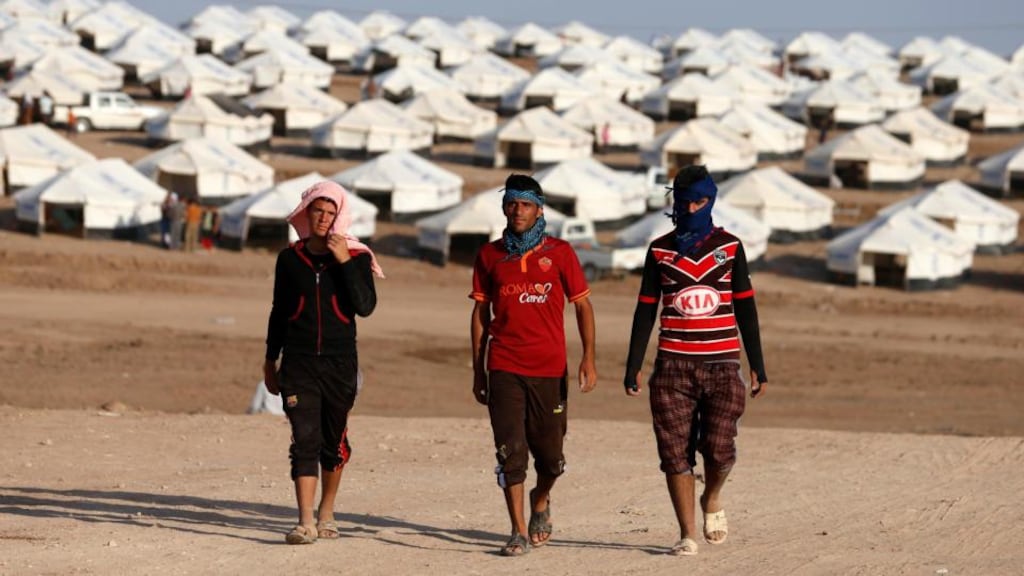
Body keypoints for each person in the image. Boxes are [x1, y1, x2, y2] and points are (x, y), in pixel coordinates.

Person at [622, 164, 768, 557]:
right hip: (672, 367)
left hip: (722, 365)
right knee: (675, 453)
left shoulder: (731, 248)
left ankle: (713, 497)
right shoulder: (659, 250)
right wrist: (633, 363)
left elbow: (746, 309)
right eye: (683, 203)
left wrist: (757, 362)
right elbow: (645, 311)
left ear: (711, 201)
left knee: (720, 450)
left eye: (699, 202)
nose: (690, 210)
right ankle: (686, 533)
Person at [469, 174, 598, 557]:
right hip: (505, 364)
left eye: (525, 204)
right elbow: (480, 313)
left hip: (549, 368)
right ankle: (517, 530)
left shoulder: (560, 252)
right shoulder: (489, 255)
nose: (517, 210)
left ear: (539, 208)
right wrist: (479, 369)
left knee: (552, 459)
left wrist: (588, 357)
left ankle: (540, 499)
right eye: (511, 203)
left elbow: (583, 306)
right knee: (510, 451)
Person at [263, 180, 383, 545]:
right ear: (306, 212)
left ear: (339, 217)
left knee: (334, 442)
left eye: (331, 213)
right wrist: (271, 360)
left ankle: (326, 513)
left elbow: (365, 307)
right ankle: (304, 521)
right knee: (304, 440)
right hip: (298, 363)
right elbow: (279, 312)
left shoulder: (357, 257)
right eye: (318, 210)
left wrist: (344, 261)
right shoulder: (289, 259)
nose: (324, 218)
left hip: (340, 363)